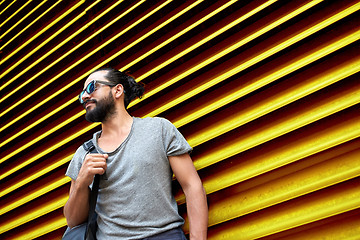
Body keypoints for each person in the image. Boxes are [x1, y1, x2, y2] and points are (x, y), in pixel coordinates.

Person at [63, 67, 208, 239]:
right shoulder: (84, 153)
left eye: (91, 88)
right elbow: (73, 221)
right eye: (82, 94)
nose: (85, 96)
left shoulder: (158, 129)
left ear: (117, 90)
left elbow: (192, 187)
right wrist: (81, 181)